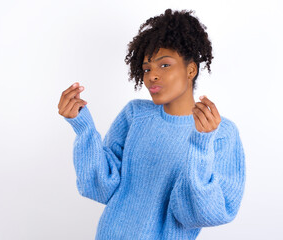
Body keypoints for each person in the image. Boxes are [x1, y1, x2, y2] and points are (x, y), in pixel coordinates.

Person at [58, 8, 246, 240]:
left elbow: (202, 213)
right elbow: (101, 186)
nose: (152, 76)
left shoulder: (221, 133)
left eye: (164, 65)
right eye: (147, 69)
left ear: (191, 69)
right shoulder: (135, 114)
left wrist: (201, 143)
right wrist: (82, 126)